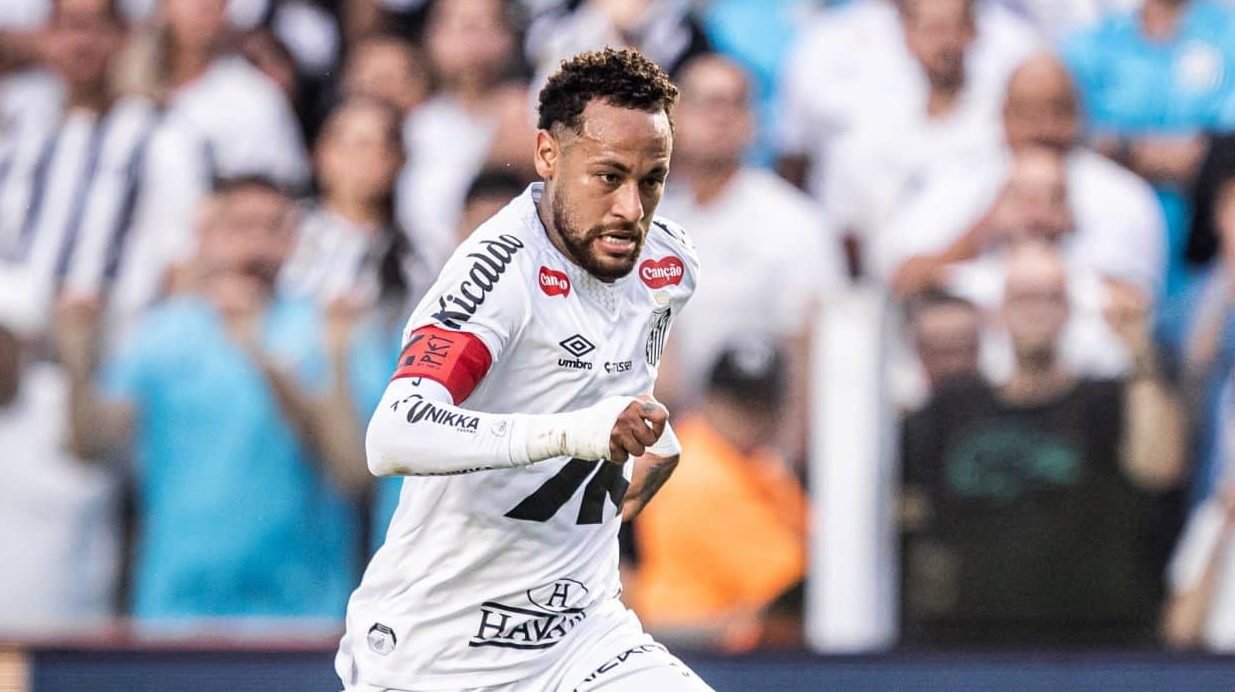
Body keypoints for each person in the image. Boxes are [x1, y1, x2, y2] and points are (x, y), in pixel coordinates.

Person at [336, 48, 713, 691]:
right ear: (547, 155)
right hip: (437, 655)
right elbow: (395, 433)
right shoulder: (498, 274)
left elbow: (594, 385)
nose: (631, 208)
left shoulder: (666, 267)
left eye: (652, 180)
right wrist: (575, 433)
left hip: (582, 638)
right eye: (608, 176)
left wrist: (647, 438)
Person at [54, 176, 367, 621]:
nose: (256, 244)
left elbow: (351, 470)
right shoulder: (163, 331)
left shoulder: (325, 328)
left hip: (299, 611)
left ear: (294, 240)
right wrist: (77, 355)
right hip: (176, 608)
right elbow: (91, 447)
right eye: (240, 226)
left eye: (273, 227)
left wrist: (259, 352)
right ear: (207, 236)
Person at [900, 241, 1186, 646]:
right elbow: (905, 508)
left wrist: (1138, 350)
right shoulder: (952, 409)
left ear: (1068, 309)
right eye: (1022, 297)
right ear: (1000, 312)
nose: (1035, 310)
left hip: (1090, 643)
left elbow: (1160, 468)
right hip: (968, 644)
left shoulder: (1107, 400)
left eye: (1049, 297)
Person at [0, 0, 203, 337]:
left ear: (123, 36)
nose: (81, 43)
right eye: (67, 27)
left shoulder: (159, 137)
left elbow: (179, 262)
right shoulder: (21, 134)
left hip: (115, 343)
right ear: (46, 36)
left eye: (95, 28)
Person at [632, 342, 807, 653]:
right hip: (691, 646)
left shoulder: (758, 464)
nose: (750, 417)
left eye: (762, 404)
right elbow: (788, 583)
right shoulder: (695, 472)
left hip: (734, 647)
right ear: (710, 401)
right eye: (738, 403)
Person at [1063, 0, 1235, 314]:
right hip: (1111, 248)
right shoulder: (1093, 43)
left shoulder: (1227, 33)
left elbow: (1226, 154)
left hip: (1204, 254)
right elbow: (1075, 144)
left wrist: (1121, 151)